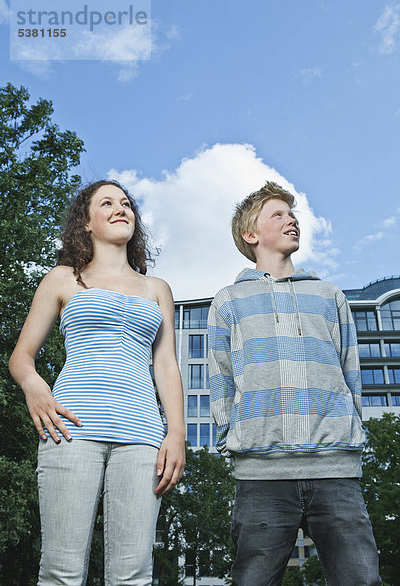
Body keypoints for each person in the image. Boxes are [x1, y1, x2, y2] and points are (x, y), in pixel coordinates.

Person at [9, 179, 186, 586]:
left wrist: (175, 431)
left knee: (133, 575)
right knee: (61, 571)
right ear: (86, 223)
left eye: (126, 203)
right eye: (107, 203)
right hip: (72, 429)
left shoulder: (156, 289)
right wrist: (35, 386)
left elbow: (167, 365)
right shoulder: (62, 279)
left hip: (142, 436)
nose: (120, 208)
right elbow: (21, 357)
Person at [207, 181, 381, 586]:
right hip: (260, 473)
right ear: (251, 235)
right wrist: (233, 434)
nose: (291, 220)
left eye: (293, 214)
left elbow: (349, 370)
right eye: (278, 214)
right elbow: (221, 379)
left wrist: (349, 430)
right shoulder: (229, 300)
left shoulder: (328, 294)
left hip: (335, 467)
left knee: (361, 579)